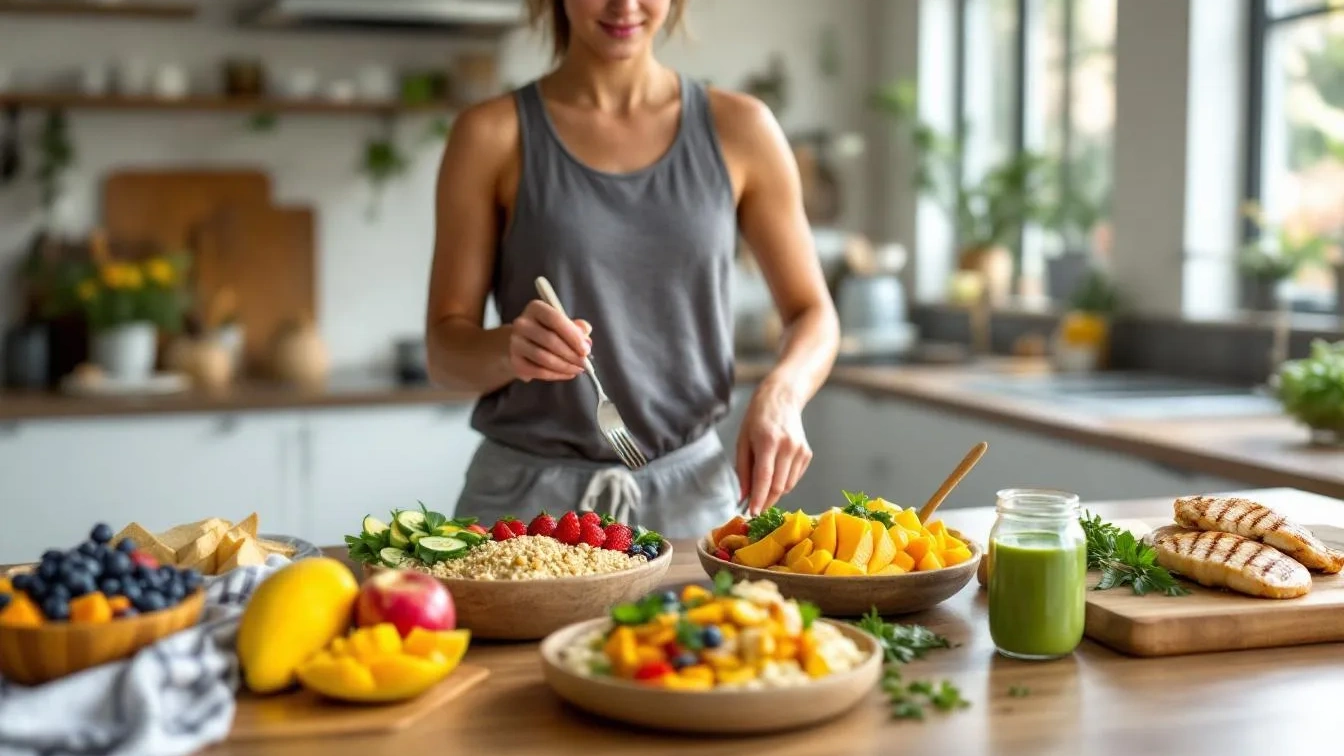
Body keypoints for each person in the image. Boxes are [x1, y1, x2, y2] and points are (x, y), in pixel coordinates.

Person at [424, 0, 838, 538]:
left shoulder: (743, 128)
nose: (624, 6)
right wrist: (511, 349)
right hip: (524, 511)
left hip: (694, 504)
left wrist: (782, 394)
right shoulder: (489, 134)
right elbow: (444, 354)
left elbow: (813, 313)